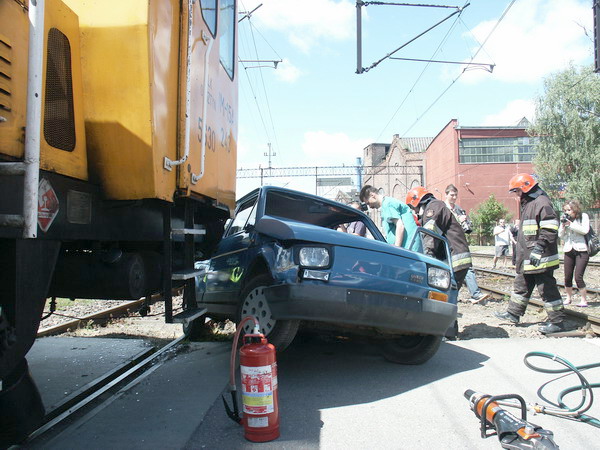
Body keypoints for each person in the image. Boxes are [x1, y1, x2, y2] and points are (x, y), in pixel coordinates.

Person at [494, 174, 566, 335]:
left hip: (540, 257)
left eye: (517, 191)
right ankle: (513, 313)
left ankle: (558, 322)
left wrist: (539, 249)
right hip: (529, 256)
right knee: (522, 284)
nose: (516, 195)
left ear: (525, 188)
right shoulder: (530, 203)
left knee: (547, 288)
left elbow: (550, 228)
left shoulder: (541, 202)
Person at [405, 186, 472, 289]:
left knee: (445, 292)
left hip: (455, 258)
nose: (414, 211)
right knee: (446, 292)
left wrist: (427, 258)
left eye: (413, 207)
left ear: (417, 202)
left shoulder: (433, 208)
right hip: (455, 256)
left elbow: (429, 234)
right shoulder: (436, 206)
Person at [444, 184, 489, 304]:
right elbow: (446, 225)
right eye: (452, 195)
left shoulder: (458, 209)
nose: (454, 197)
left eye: (455, 195)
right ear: (446, 195)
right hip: (448, 244)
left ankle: (475, 294)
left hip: (460, 243)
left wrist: (466, 223)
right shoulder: (443, 209)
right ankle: (450, 296)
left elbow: (466, 228)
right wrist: (459, 220)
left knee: (467, 268)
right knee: (451, 271)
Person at [359, 185, 419, 251]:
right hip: (410, 247)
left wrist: (397, 249)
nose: (370, 206)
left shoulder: (387, 204)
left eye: (368, 203)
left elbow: (400, 226)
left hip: (408, 249)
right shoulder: (388, 203)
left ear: (372, 195)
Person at [559, 199, 590, 307]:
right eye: (565, 210)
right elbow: (560, 235)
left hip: (581, 250)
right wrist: (563, 226)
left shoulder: (583, 216)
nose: (567, 212)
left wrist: (570, 224)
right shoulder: (564, 218)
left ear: (575, 209)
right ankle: (568, 298)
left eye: (569, 210)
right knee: (567, 276)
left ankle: (583, 300)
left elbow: (585, 230)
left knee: (578, 276)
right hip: (569, 249)